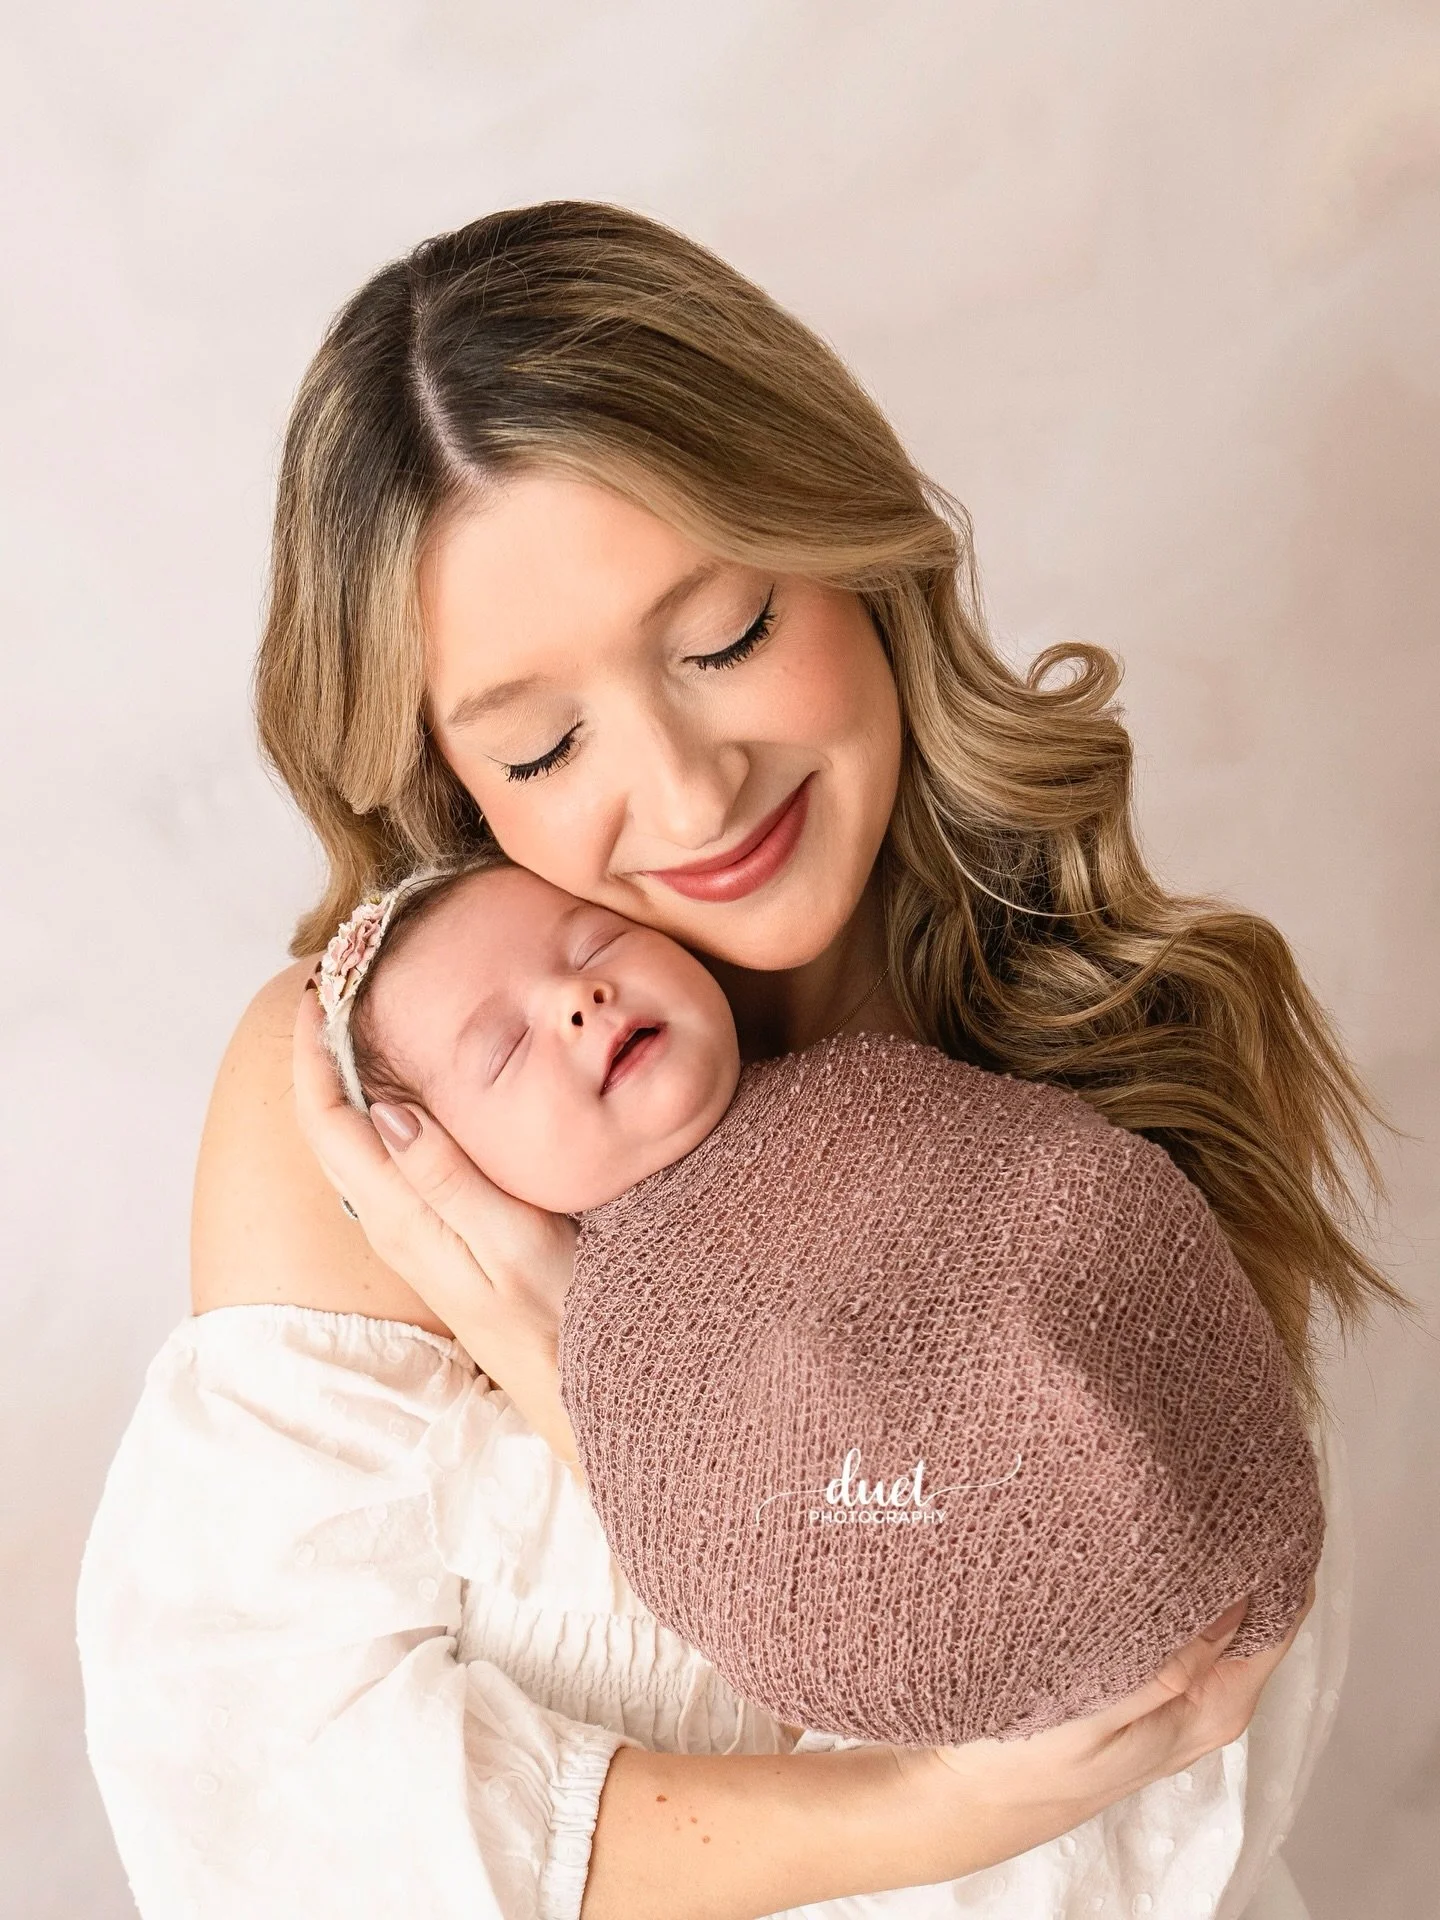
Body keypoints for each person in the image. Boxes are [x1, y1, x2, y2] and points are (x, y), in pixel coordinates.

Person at [76, 200, 1406, 1920]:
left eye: (722, 643)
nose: (691, 795)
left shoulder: (1134, 1043)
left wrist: (582, 1381)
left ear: (857, 554)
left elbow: (1164, 1808)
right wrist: (925, 1813)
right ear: (449, 781)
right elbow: (262, 1824)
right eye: (546, 743)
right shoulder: (381, 1117)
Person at [313, 847, 1325, 1754]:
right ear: (454, 1166)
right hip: (938, 1566)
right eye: (506, 1049)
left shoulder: (872, 1082)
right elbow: (732, 1556)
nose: (579, 999)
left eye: (598, 942)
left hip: (1154, 1400)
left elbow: (1069, 1184)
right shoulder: (624, 1342)